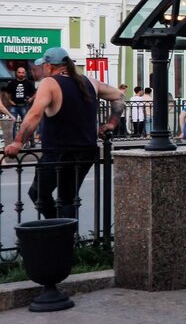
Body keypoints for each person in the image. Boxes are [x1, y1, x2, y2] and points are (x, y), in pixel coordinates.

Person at [3, 47, 124, 219]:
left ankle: (58, 228)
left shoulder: (49, 83)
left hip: (58, 152)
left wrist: (17, 142)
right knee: (68, 198)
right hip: (86, 151)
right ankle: (66, 232)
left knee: (38, 193)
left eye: (43, 66)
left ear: (49, 66)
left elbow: (34, 115)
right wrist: (111, 123)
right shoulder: (90, 82)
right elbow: (119, 96)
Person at [4, 66, 35, 142]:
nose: (21, 74)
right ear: (16, 73)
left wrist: (31, 99)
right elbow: (6, 93)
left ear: (25, 73)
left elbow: (35, 93)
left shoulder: (29, 83)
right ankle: (14, 142)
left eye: (23, 73)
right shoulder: (12, 83)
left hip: (25, 106)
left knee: (27, 124)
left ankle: (31, 141)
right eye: (19, 72)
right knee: (12, 124)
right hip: (14, 106)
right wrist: (9, 100)